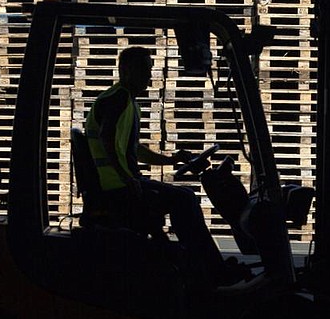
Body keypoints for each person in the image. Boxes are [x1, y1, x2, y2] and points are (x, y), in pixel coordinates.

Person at [85, 46, 247, 289]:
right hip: (117, 189)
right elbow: (107, 138)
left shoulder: (127, 102)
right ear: (128, 71)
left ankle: (206, 267)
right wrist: (127, 178)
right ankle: (213, 271)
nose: (149, 76)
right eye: (145, 70)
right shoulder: (117, 99)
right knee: (184, 199)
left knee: (183, 197)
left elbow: (135, 150)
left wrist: (172, 159)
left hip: (122, 183)